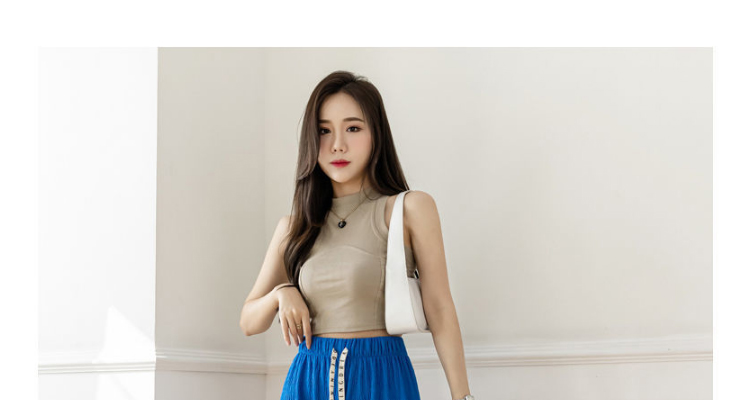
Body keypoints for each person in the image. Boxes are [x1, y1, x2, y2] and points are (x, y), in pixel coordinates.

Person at [239, 71, 474, 400]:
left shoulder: (409, 209)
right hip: (307, 382)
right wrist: (282, 292)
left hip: (381, 380)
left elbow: (439, 308)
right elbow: (248, 321)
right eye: (324, 130)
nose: (337, 144)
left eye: (353, 128)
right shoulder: (293, 228)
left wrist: (463, 397)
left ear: (376, 134)